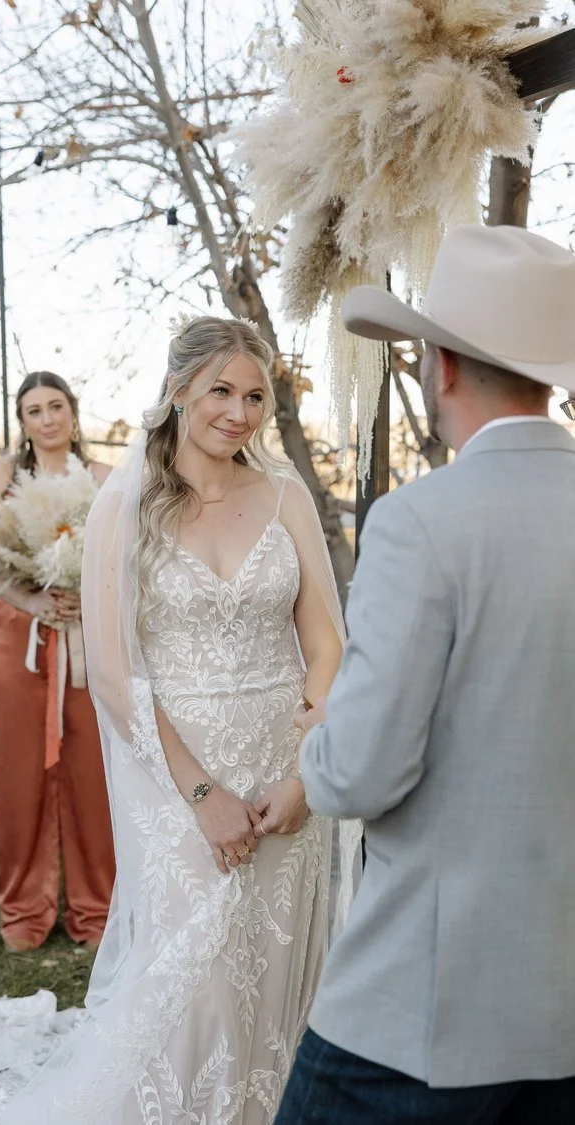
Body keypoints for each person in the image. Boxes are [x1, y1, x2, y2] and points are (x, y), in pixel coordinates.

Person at [0, 320, 359, 1125]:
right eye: (221, 390)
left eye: (254, 395)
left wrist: (304, 774)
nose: (240, 412)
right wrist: (203, 793)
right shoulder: (127, 501)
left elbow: (327, 642)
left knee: (277, 964)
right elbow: (114, 673)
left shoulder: (284, 495)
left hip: (283, 771)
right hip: (177, 773)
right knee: (200, 974)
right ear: (179, 390)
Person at [276, 224, 575, 1125]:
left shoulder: (420, 522)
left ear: (441, 365)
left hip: (423, 1008)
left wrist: (319, 733)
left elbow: (360, 771)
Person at [0, 372, 115, 953]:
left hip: (87, 638)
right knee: (20, 774)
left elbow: (132, 554)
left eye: (57, 406)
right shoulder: (4, 476)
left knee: (91, 777)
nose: (47, 418)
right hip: (18, 639)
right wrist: (28, 598)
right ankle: (24, 913)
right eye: (34, 410)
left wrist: (93, 595)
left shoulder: (105, 478)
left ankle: (96, 911)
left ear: (73, 413)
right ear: (22, 421)